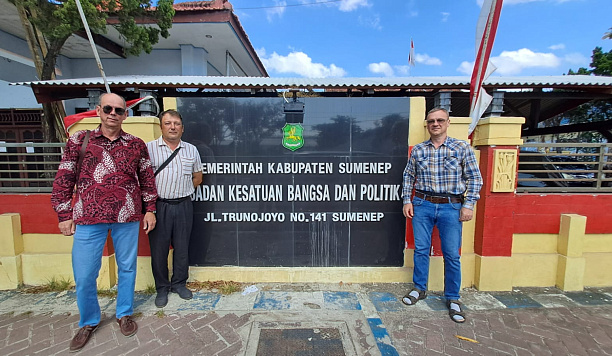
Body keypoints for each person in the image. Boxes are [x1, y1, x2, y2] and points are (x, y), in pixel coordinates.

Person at [51, 93, 157, 352]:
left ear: (125, 115)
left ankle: (124, 313)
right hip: (88, 217)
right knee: (86, 274)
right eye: (108, 108)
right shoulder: (79, 140)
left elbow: (146, 179)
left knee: (127, 268)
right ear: (98, 110)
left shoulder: (136, 144)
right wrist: (64, 215)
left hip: (127, 216)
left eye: (119, 110)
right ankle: (88, 321)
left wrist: (150, 209)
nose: (113, 113)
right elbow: (64, 178)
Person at [401, 107, 483, 323]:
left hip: (451, 206)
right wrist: (407, 200)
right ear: (427, 125)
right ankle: (419, 288)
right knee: (421, 249)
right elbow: (408, 176)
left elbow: (475, 178)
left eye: (439, 120)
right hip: (422, 204)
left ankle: (453, 298)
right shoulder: (419, 150)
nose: (435, 124)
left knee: (451, 254)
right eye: (431, 121)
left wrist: (469, 205)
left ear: (448, 123)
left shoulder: (462, 147)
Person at [146, 109, 203, 308]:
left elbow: (198, 177)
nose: (173, 127)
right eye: (168, 123)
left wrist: (182, 190)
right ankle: (162, 288)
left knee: (182, 248)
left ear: (182, 128)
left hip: (184, 205)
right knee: (159, 250)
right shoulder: (149, 149)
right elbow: (144, 180)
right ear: (161, 126)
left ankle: (179, 283)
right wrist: (149, 209)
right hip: (159, 207)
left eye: (176, 123)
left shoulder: (191, 150)